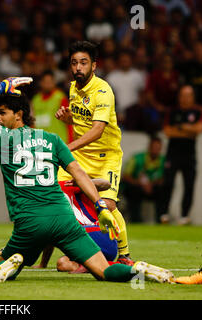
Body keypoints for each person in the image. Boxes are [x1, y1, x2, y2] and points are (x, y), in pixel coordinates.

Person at [0, 77, 175, 284]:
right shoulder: (53, 139)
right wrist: (100, 205)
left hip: (29, 222)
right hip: (63, 220)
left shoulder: (0, 137)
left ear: (19, 114)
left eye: (2, 113)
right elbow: (79, 174)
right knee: (103, 270)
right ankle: (138, 270)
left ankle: (12, 261)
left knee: (5, 266)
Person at [55, 41, 133, 265]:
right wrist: (69, 118)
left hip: (105, 156)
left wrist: (66, 148)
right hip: (81, 155)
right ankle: (78, 247)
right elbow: (83, 122)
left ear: (94, 65)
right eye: (74, 63)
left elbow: (98, 130)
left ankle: (125, 255)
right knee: (56, 194)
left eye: (83, 63)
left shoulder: (102, 90)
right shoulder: (72, 88)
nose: (78, 67)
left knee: (108, 205)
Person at [32, 178, 118, 273]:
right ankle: (109, 265)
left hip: (98, 234)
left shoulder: (65, 186)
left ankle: (89, 266)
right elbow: (50, 235)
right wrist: (43, 264)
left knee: (61, 232)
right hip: (92, 245)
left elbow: (106, 184)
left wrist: (81, 182)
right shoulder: (41, 202)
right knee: (63, 264)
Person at [157, 85, 202, 225]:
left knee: (189, 185)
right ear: (179, 97)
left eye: (188, 95)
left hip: (189, 155)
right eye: (183, 95)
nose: (185, 98)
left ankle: (184, 216)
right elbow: (167, 132)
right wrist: (189, 131)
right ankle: (163, 214)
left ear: (193, 97)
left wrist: (180, 127)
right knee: (168, 183)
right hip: (173, 154)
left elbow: (199, 129)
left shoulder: (198, 111)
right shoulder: (172, 111)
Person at [122, 136, 165, 223]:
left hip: (152, 188)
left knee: (164, 190)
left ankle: (160, 220)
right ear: (149, 147)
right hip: (136, 187)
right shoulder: (137, 158)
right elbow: (125, 176)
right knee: (133, 191)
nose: (156, 150)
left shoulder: (163, 161)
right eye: (154, 147)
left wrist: (150, 185)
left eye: (158, 148)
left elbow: (164, 178)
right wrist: (139, 183)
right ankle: (135, 220)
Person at [31, 70, 73, 143]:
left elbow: (69, 121)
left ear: (54, 82)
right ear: (41, 83)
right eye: (46, 82)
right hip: (41, 144)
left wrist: (70, 141)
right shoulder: (35, 100)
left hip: (59, 143)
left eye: (50, 82)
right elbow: (32, 122)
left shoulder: (60, 98)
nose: (48, 84)